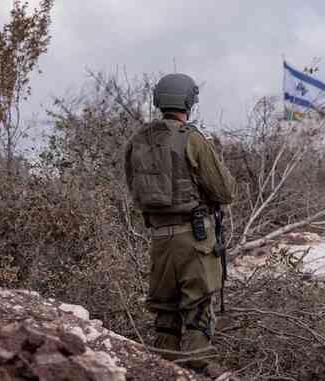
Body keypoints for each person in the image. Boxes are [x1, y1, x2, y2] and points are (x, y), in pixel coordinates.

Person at [123, 73, 235, 376]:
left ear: (159, 100)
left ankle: (161, 366)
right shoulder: (192, 138)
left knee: (165, 308)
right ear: (188, 101)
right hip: (195, 238)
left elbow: (132, 185)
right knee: (197, 303)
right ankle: (202, 365)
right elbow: (225, 191)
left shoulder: (138, 140)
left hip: (160, 238)